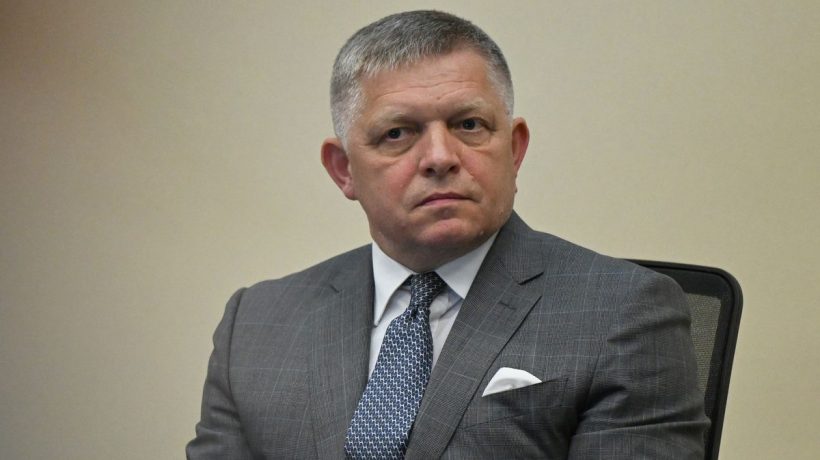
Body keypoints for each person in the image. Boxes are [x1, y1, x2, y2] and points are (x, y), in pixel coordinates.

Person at [187, 10, 707, 459]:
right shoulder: (255, 323)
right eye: (397, 133)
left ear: (514, 149)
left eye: (468, 125)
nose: (440, 157)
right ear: (343, 170)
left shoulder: (625, 313)